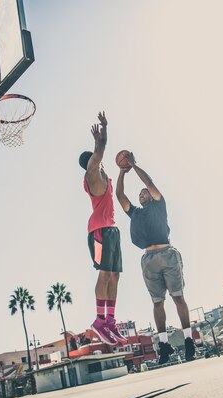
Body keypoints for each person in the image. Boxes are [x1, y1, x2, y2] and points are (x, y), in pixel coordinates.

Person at [115, 152, 195, 364]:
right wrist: (122, 172)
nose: (142, 195)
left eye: (144, 193)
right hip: (148, 259)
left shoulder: (160, 204)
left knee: (178, 297)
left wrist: (133, 165)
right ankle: (164, 344)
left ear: (150, 195)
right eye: (140, 195)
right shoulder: (135, 213)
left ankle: (188, 341)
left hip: (167, 254)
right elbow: (120, 197)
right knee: (157, 303)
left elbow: (148, 182)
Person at [79, 112, 128, 346]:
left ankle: (110, 320)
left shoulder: (105, 180)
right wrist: (104, 130)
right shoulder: (92, 175)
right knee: (104, 274)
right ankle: (99, 320)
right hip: (98, 231)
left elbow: (100, 149)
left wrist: (101, 137)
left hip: (112, 230)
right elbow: (100, 150)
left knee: (115, 275)